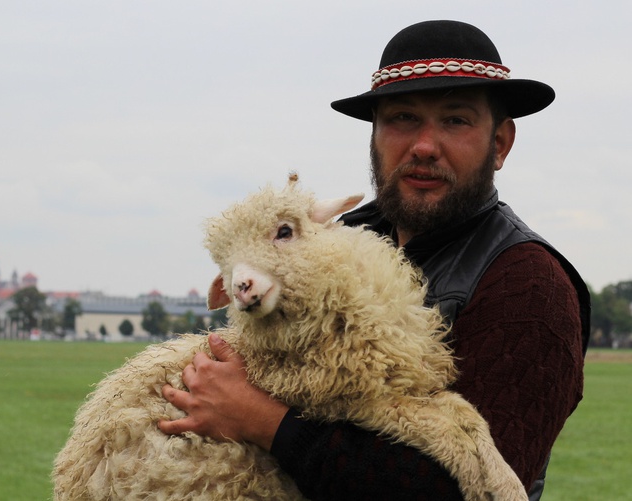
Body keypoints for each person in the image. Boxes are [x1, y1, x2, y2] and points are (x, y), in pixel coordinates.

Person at [158, 20, 590, 500]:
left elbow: (454, 492)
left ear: (501, 143)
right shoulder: (333, 245)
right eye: (402, 118)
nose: (424, 146)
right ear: (374, 136)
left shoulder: (529, 286)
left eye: (456, 120)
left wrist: (267, 423)